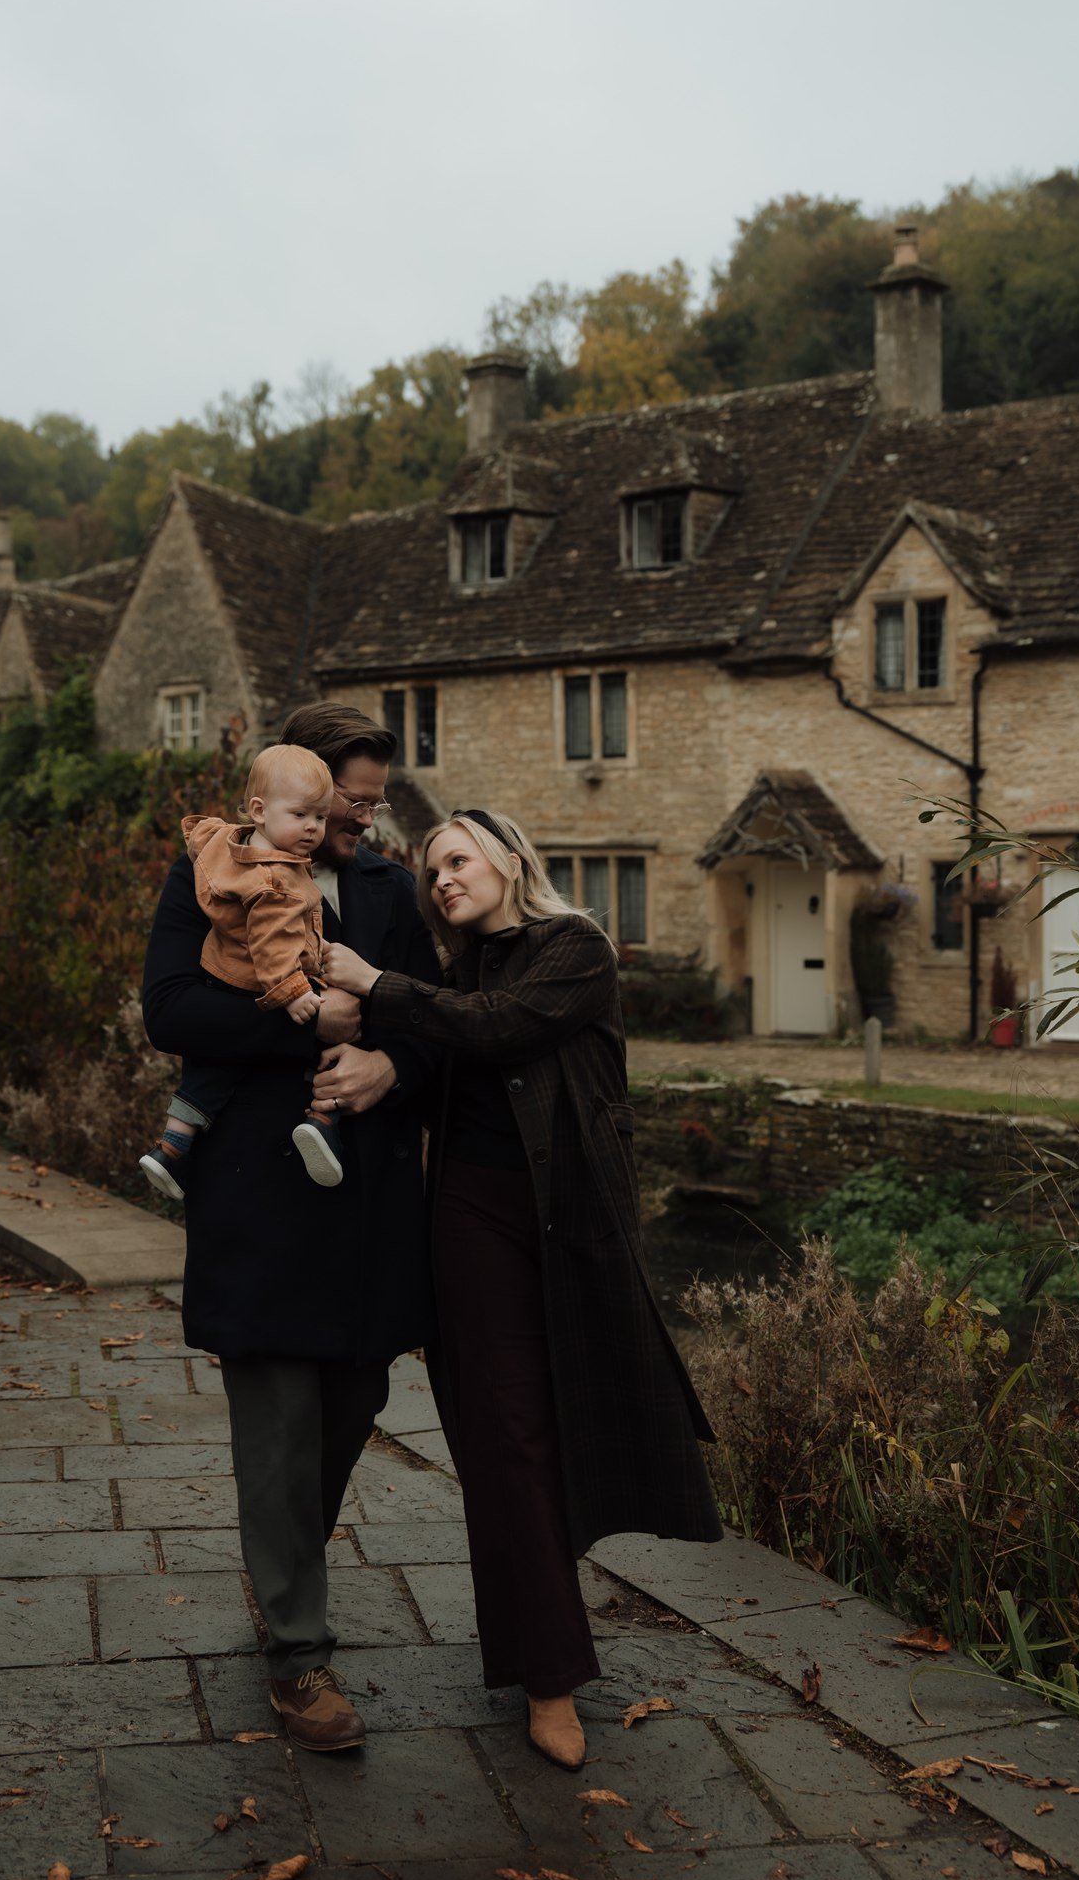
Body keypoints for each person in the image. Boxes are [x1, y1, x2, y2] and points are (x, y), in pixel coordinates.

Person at [322, 806, 722, 1770]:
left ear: (508, 858)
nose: (443, 881)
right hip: (468, 1218)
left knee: (575, 1422)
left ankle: (543, 1590)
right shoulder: (451, 978)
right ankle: (550, 1679)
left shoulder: (572, 948)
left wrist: (377, 987)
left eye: (457, 860)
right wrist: (378, 1063)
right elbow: (439, 1056)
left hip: (572, 1223)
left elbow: (505, 1031)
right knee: (503, 1438)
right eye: (431, 873)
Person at [141, 704, 441, 1752]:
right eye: (337, 799)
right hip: (259, 1197)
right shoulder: (212, 872)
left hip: (365, 1204)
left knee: (353, 1397)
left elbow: (437, 1024)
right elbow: (170, 1008)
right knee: (276, 1420)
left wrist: (391, 1064)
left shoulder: (391, 892)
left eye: (363, 801)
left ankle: (280, 1564)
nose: (351, 817)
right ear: (288, 794)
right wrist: (306, 1017)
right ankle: (300, 1660)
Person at [138, 743, 349, 1197]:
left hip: (222, 974)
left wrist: (199, 831)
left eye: (321, 817)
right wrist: (295, 991)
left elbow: (204, 835)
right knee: (329, 1054)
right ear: (259, 809)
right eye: (301, 815)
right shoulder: (277, 877)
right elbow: (275, 943)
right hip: (264, 983)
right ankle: (322, 1120)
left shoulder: (227, 846)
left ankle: (172, 1145)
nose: (314, 828)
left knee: (213, 1068)